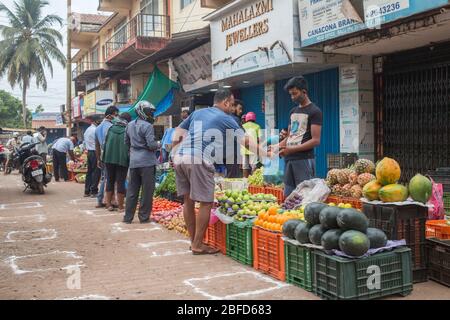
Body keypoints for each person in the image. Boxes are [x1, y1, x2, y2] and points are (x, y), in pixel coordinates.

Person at [171, 89, 270, 255]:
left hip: (180, 156)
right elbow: (245, 141)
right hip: (198, 158)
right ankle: (197, 245)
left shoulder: (198, 113)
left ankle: (193, 241)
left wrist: (174, 151)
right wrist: (265, 153)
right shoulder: (226, 118)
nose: (232, 108)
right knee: (206, 201)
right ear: (225, 103)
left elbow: (178, 132)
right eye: (231, 104)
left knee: (187, 201)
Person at [277, 76, 323, 197]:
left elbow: (315, 140)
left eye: (294, 94)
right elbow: (291, 136)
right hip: (289, 160)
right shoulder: (292, 112)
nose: (292, 97)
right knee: (288, 195)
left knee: (304, 196)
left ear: (304, 91)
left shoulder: (315, 111)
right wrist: (277, 146)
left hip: (304, 159)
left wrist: (290, 150)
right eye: (290, 95)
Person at [123, 101, 160, 224]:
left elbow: (126, 143)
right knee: (147, 191)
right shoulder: (148, 126)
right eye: (149, 112)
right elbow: (151, 145)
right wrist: (158, 144)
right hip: (147, 163)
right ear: (142, 112)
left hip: (134, 162)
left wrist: (133, 152)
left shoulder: (129, 125)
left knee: (132, 191)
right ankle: (144, 217)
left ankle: (128, 217)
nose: (151, 114)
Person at [103, 112, 131, 212]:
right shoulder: (128, 130)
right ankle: (120, 206)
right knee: (121, 182)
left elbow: (104, 144)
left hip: (109, 158)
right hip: (122, 159)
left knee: (110, 180)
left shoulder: (110, 129)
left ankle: (109, 204)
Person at [95, 106, 119, 208]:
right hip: (111, 154)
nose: (117, 117)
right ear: (110, 115)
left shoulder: (98, 128)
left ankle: (100, 200)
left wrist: (98, 159)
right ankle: (110, 202)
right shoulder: (111, 127)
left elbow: (96, 145)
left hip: (102, 154)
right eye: (116, 114)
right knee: (111, 179)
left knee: (104, 178)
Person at [225, 100, 245, 178]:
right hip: (232, 152)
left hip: (225, 151)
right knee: (232, 176)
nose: (241, 111)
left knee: (229, 174)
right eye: (239, 108)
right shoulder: (235, 119)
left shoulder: (226, 117)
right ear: (233, 107)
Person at [83, 116, 102, 197]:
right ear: (96, 121)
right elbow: (99, 143)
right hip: (95, 152)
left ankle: (87, 191)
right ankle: (94, 191)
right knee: (96, 172)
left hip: (89, 152)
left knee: (89, 172)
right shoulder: (95, 130)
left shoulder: (87, 130)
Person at [242, 112, 261, 178]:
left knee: (245, 166)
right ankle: (253, 181)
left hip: (244, 149)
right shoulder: (257, 126)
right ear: (254, 119)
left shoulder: (243, 126)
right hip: (253, 149)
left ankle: (245, 181)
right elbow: (259, 139)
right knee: (254, 166)